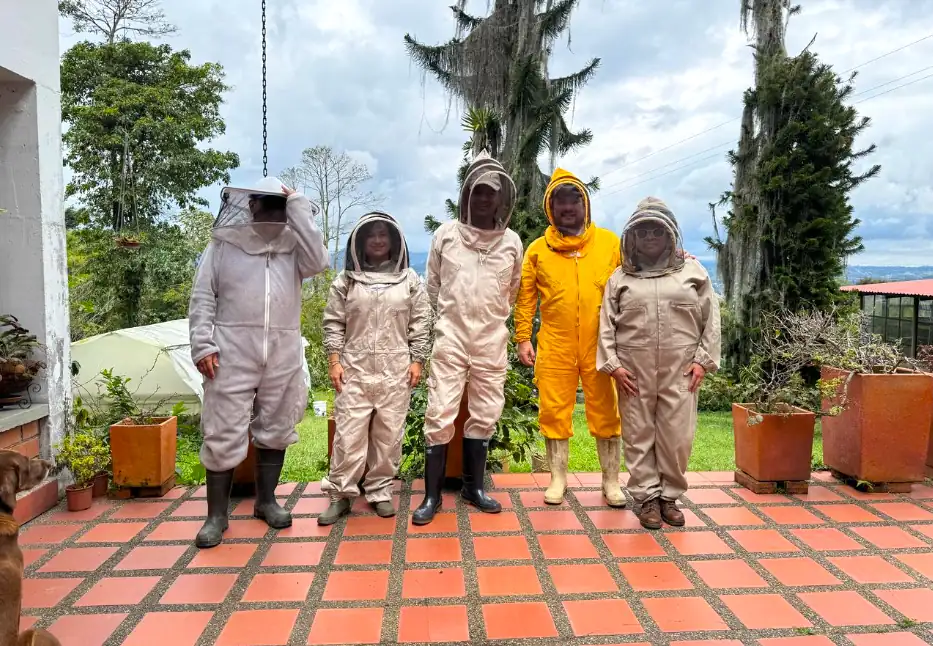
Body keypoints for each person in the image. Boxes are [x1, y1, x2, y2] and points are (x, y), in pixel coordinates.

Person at [189, 176, 329, 548]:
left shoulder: (295, 247)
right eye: (266, 202)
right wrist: (202, 345)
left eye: (278, 204)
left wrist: (297, 202)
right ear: (250, 205)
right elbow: (203, 295)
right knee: (221, 428)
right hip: (231, 347)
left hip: (283, 348)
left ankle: (266, 501)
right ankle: (216, 516)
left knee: (279, 423)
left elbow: (321, 262)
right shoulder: (223, 245)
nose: (272, 210)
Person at [412, 151, 523, 526]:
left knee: (486, 411)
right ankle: (431, 496)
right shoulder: (446, 235)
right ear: (466, 195)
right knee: (440, 409)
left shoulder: (512, 243)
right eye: (477, 192)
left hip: (492, 338)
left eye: (490, 193)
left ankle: (473, 488)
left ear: (501, 197)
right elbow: (433, 287)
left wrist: (490, 321)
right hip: (452, 336)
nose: (484, 199)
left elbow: (512, 290)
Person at [597, 197, 720, 529]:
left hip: (680, 370)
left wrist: (702, 361)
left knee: (677, 436)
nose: (650, 237)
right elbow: (606, 323)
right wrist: (613, 365)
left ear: (670, 235)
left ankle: (670, 497)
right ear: (632, 238)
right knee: (638, 435)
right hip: (632, 372)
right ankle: (647, 498)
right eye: (643, 231)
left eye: (657, 230)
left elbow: (711, 318)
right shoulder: (620, 277)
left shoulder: (693, 271)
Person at [515, 168, 625, 507]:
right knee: (554, 409)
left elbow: (630, 283)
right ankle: (557, 478)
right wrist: (522, 338)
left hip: (602, 343)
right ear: (550, 208)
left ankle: (611, 482)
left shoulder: (609, 243)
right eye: (559, 201)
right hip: (555, 342)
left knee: (608, 410)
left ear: (585, 205)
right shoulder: (537, 250)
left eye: (574, 199)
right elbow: (525, 297)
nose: (567, 207)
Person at [317, 212, 432, 524]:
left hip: (396, 370)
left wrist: (417, 360)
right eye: (372, 235)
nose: (378, 240)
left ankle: (380, 491)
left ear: (394, 241)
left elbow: (421, 323)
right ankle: (341, 494)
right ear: (361, 242)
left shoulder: (410, 280)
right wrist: (334, 361)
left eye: (384, 234)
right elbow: (333, 323)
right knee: (348, 435)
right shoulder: (346, 281)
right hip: (354, 369)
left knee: (388, 436)